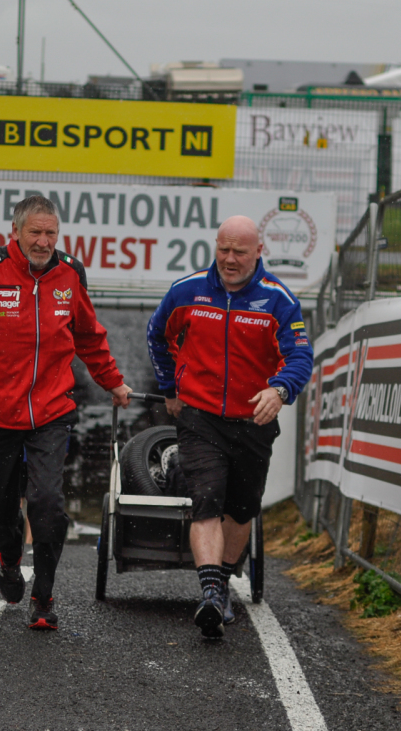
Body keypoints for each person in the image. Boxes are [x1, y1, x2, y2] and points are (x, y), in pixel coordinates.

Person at [0, 195, 131, 631]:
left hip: (51, 410)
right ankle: (9, 558)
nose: (44, 242)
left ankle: (43, 595)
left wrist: (113, 382)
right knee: (0, 510)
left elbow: (89, 336)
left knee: (46, 501)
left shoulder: (70, 272)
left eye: (51, 233)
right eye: (35, 233)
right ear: (15, 232)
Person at [146, 216, 313, 639]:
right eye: (223, 249)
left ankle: (220, 581)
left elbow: (300, 357)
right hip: (199, 416)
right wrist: (170, 387)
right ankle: (210, 592)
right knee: (205, 498)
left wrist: (279, 390)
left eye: (240, 251)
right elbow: (157, 334)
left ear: (259, 252)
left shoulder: (278, 299)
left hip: (252, 421)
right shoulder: (187, 290)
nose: (230, 259)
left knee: (241, 508)